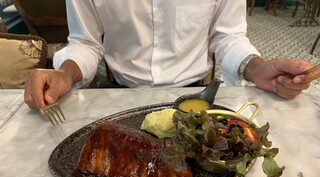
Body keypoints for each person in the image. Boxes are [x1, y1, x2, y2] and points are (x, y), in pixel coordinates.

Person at [24, 0, 318, 110]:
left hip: (197, 95)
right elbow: (86, 43)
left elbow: (227, 35)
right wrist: (64, 74)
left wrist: (257, 68)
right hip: (120, 95)